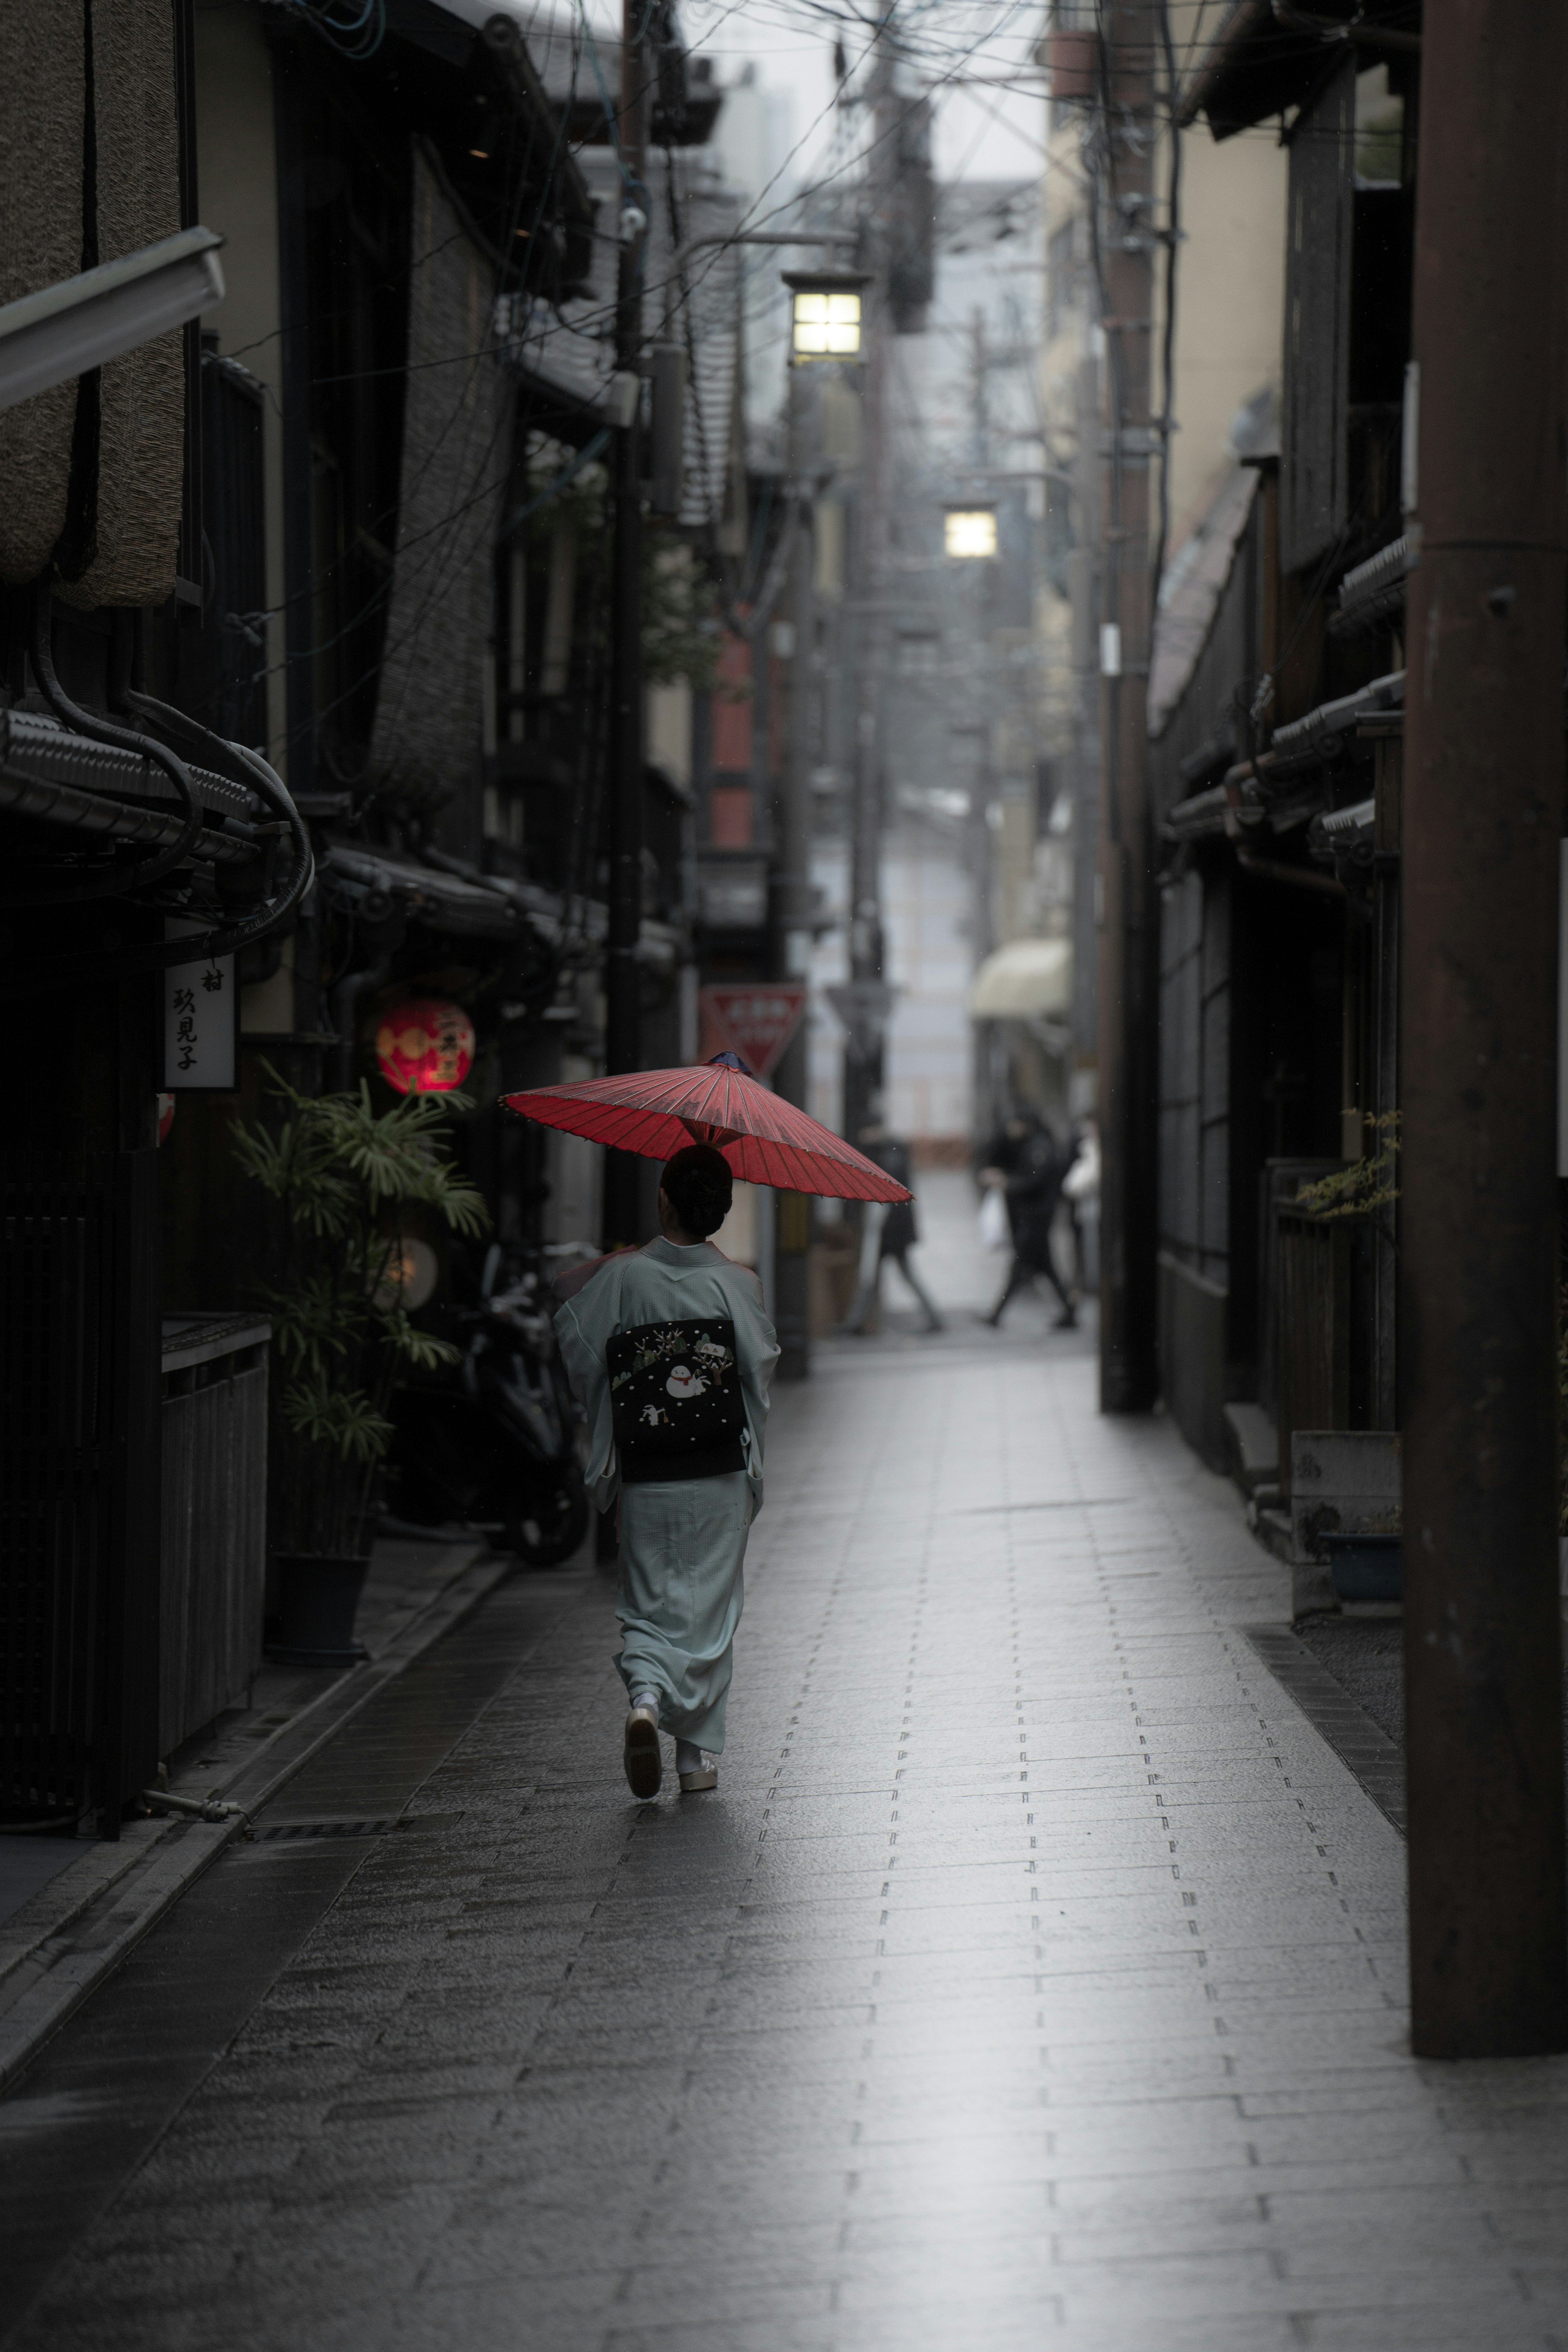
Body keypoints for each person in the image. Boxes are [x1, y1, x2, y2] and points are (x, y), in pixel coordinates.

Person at [554, 1145, 779, 1802]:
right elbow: (757, 1374)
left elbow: (581, 1350)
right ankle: (694, 1762)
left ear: (663, 1198)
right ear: (723, 1209)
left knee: (649, 1606)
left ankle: (647, 1697)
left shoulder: (623, 1278)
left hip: (649, 1472)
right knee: (710, 1612)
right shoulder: (738, 1284)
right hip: (716, 1470)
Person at [840, 1118, 944, 1335]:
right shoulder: (892, 1150)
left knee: (875, 1274)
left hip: (890, 1229)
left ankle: (856, 1323)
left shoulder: (888, 1153)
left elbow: (887, 1187)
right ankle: (856, 1322)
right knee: (877, 1275)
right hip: (892, 1228)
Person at [978, 1111, 1077, 1329]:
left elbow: (1034, 1181)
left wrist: (1006, 1183)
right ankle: (1070, 1311)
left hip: (1037, 1218)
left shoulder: (1039, 1147)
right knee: (1047, 1269)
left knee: (1019, 1268)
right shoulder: (1034, 1145)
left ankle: (997, 1315)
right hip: (1035, 1217)